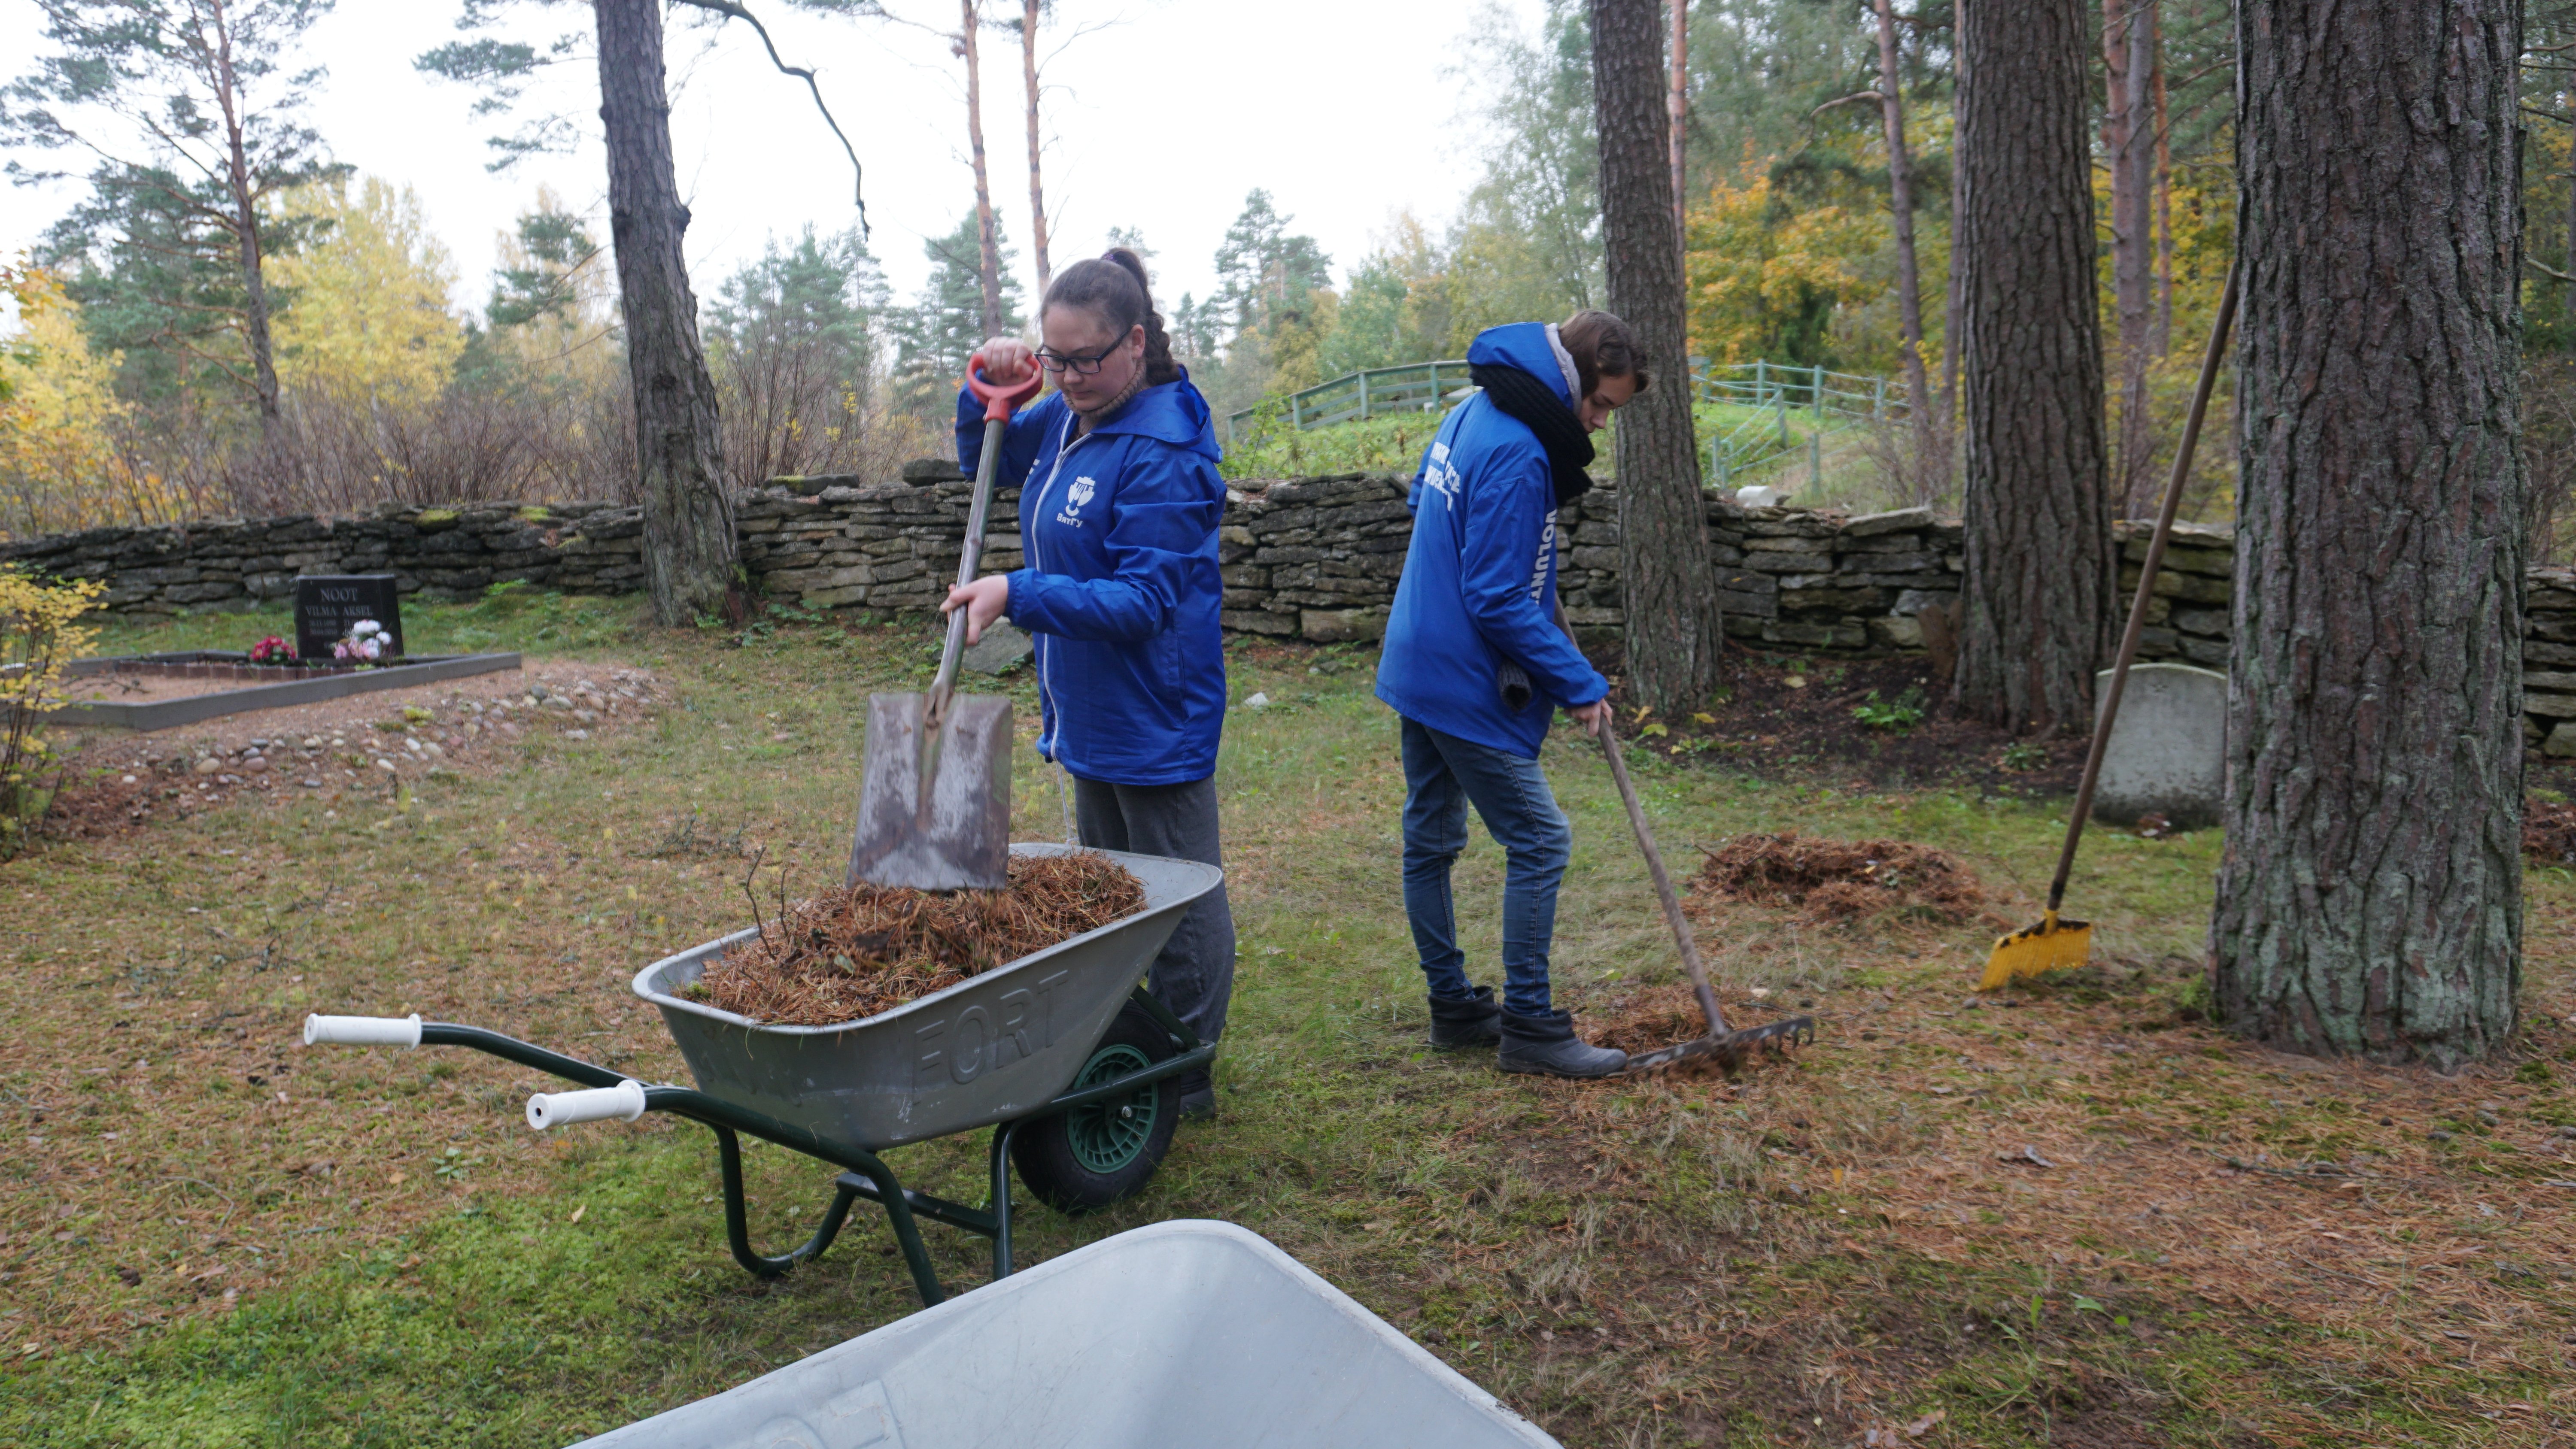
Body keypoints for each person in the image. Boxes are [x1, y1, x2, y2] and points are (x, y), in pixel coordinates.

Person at [941, 247, 1235, 1120]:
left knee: (1182, 896)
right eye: (1053, 358)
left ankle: (1187, 1075)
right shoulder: (1071, 420)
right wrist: (988, 389)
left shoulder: (1166, 451)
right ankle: (1138, 1041)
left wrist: (1017, 591)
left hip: (1156, 711)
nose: (1067, 376)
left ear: (1136, 342)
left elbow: (1146, 598)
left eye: (1084, 358)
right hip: (1090, 709)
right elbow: (981, 462)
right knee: (1118, 893)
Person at [1374, 312, 1646, 1078]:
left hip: (1416, 658)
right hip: (1459, 675)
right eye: (1600, 406)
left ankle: (1456, 1009)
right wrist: (1579, 682)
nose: (1597, 422)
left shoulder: (1472, 410)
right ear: (1572, 380)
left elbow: (1432, 515)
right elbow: (1494, 597)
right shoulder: (1522, 453)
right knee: (1541, 839)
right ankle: (1529, 1023)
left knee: (1430, 841)